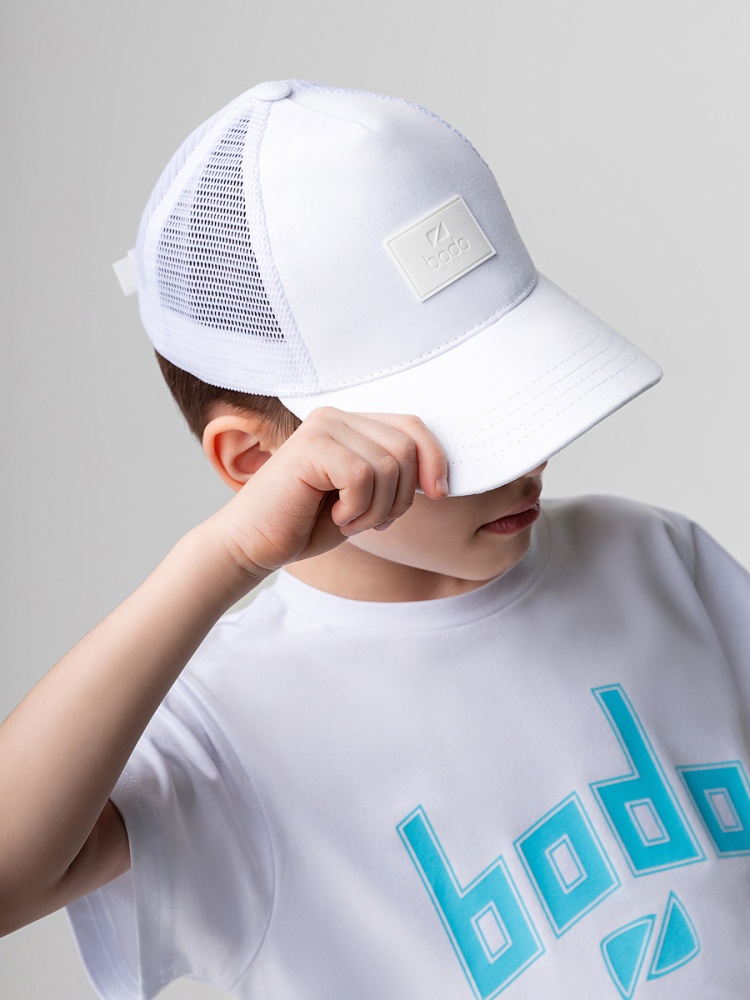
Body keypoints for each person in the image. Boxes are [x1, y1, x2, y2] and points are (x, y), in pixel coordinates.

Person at [1, 79, 749, 999]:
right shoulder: (223, 728)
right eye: (463, 427)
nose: (530, 456)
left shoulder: (657, 559)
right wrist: (222, 559)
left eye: (526, 384)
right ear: (256, 462)